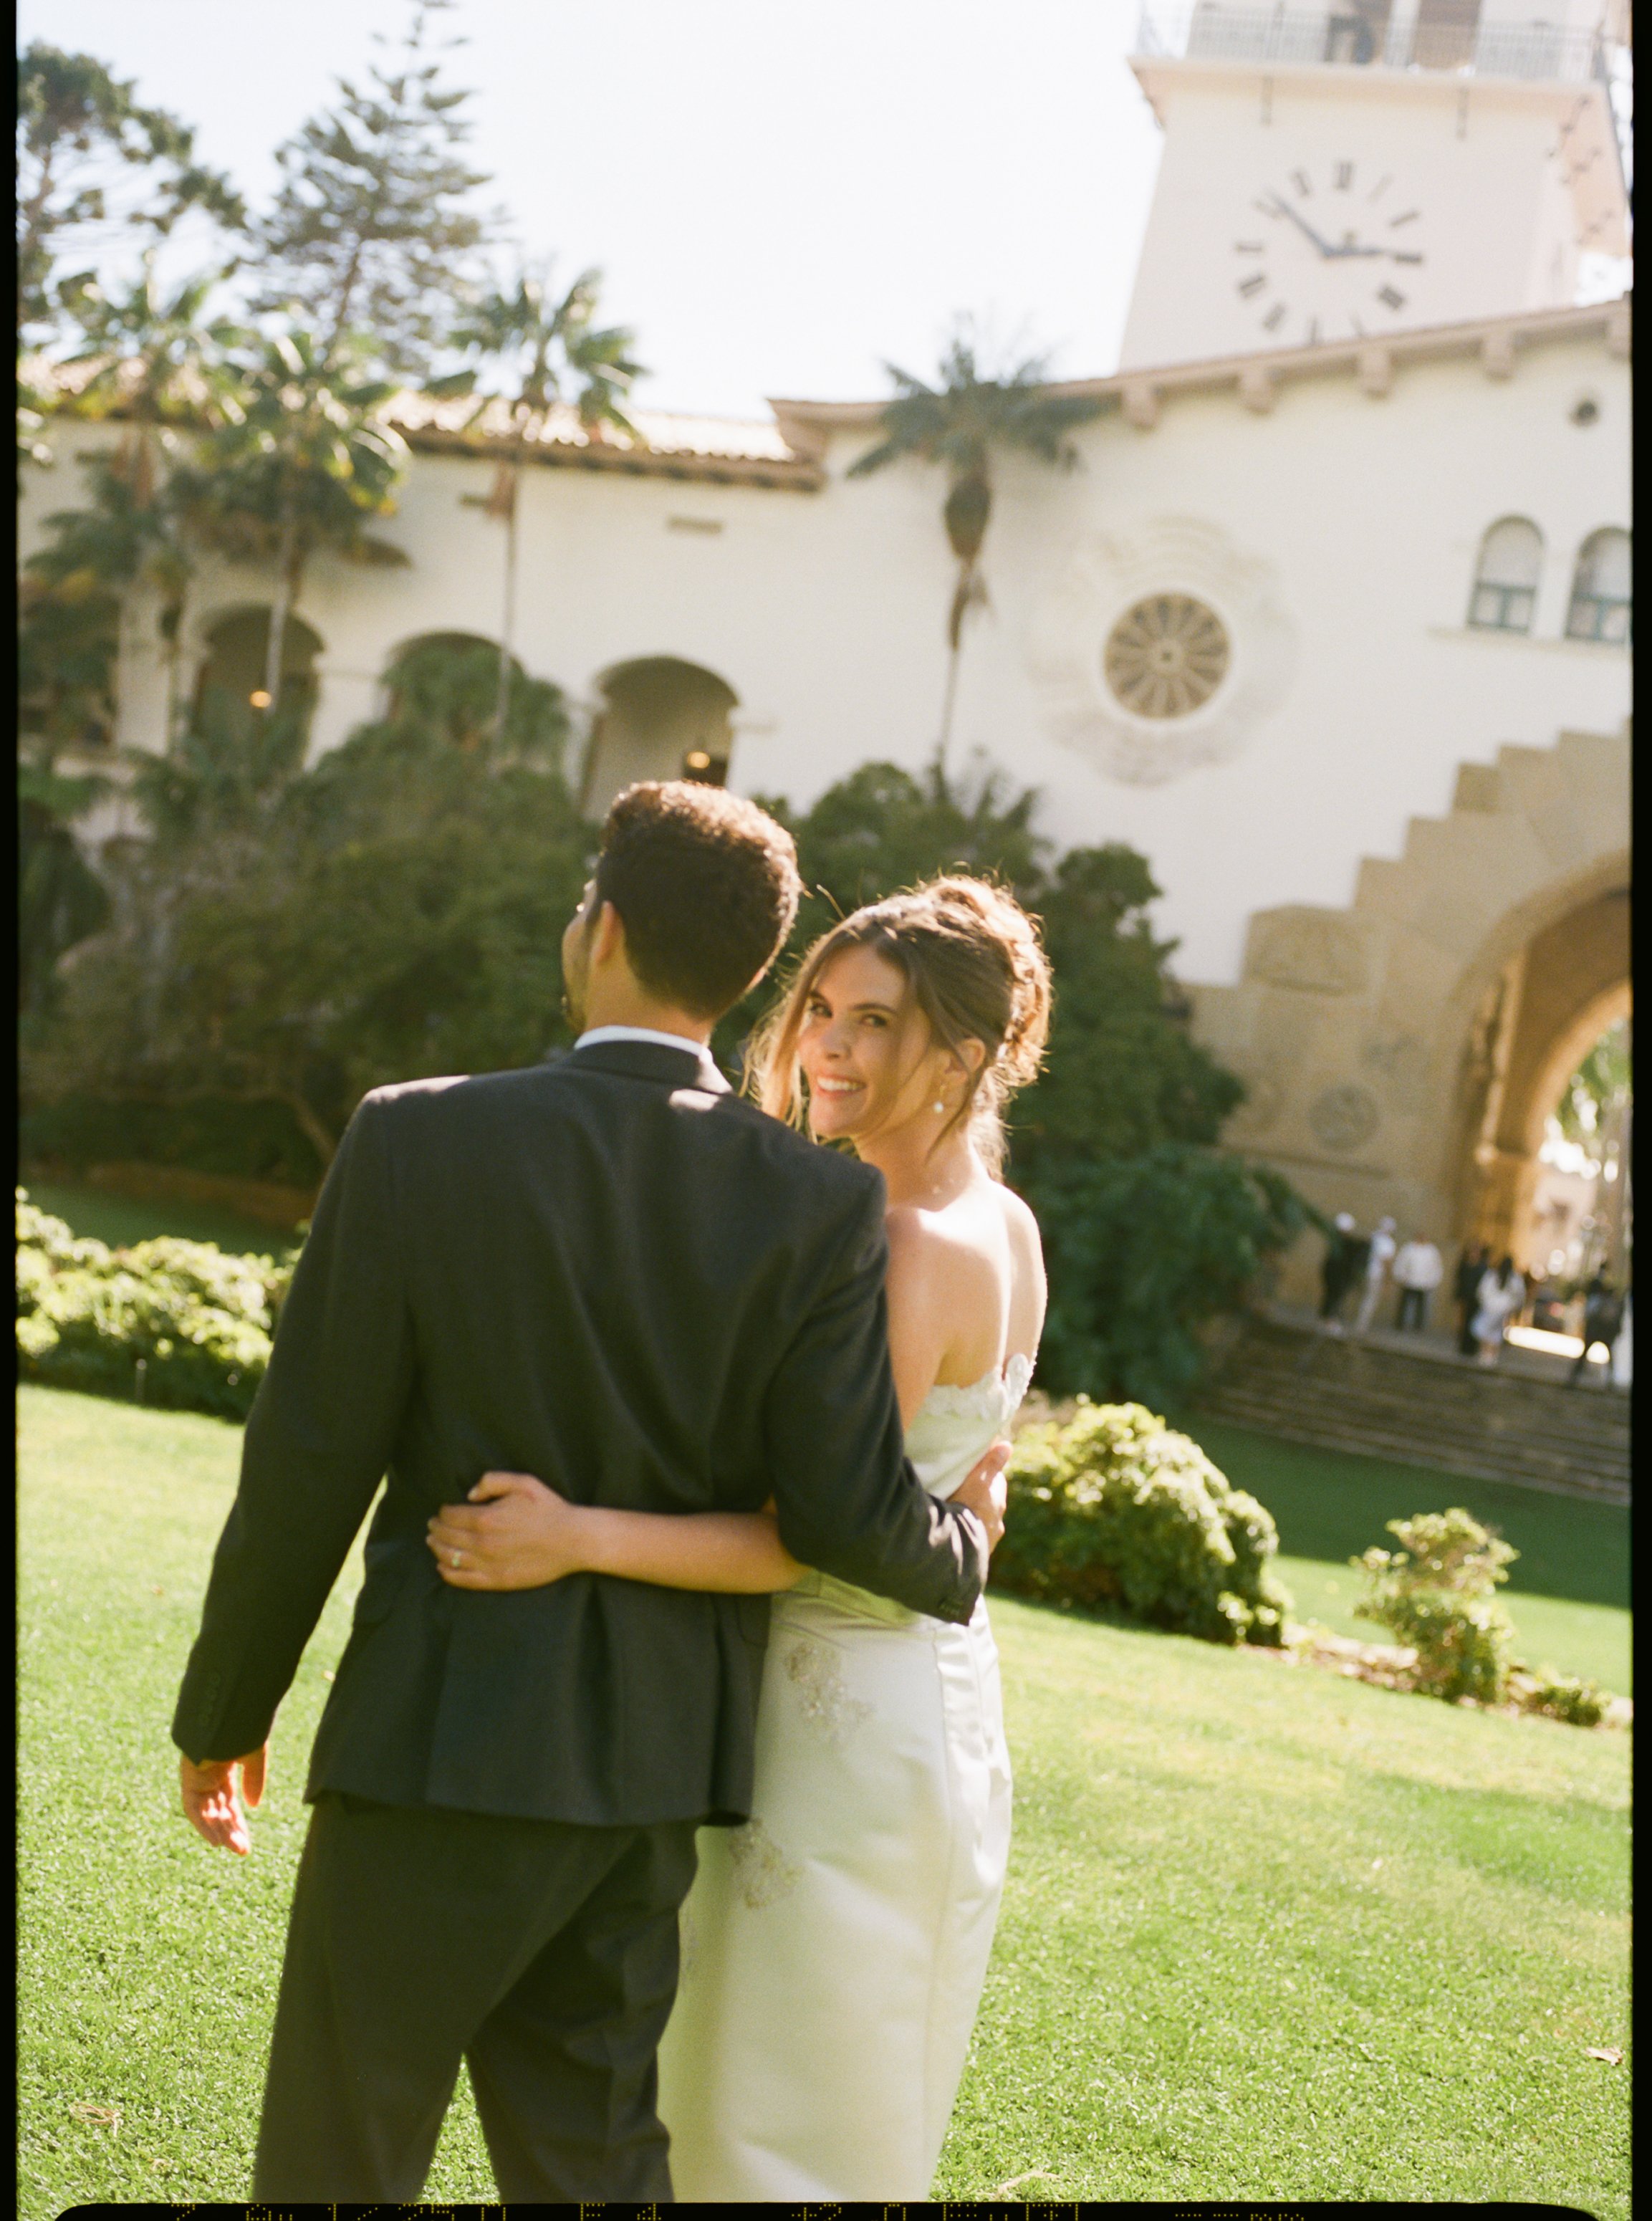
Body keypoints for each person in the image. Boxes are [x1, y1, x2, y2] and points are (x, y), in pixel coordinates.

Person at [169, 782, 1010, 2203]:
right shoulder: (810, 1203)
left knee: (341, 2144)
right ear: (756, 972)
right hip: (649, 1781)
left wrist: (226, 1710)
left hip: (434, 1747)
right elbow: (844, 1510)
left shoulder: (414, 1136)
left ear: (600, 928)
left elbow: (308, 1456)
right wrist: (966, 1540)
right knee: (590, 2164)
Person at [426, 876, 1050, 2201]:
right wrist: (966, 1531)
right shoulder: (1003, 1218)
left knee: (746, 2115)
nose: (828, 1045)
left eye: (877, 1024)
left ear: (966, 1054)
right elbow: (948, 1483)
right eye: (820, 1008)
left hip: (823, 1738)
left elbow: (808, 1538)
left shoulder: (893, 1242)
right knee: (840, 2099)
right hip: (931, 1712)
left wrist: (573, 1535)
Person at [1567, 1271, 1623, 1387]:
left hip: (1595, 1332)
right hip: (1606, 1334)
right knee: (1609, 1359)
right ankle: (1610, 1382)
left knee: (1584, 1356)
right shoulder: (1612, 1303)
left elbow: (1589, 1315)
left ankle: (1574, 1379)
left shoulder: (1597, 1301)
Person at [1470, 1254, 1525, 1366]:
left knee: (1485, 1331)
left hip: (1490, 1308)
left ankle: (1485, 1354)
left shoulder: (1492, 1275)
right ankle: (1492, 1355)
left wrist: (1486, 1303)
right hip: (1503, 1310)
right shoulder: (1515, 1279)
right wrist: (1512, 1307)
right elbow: (1520, 1295)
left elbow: (1483, 1290)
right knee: (1495, 1333)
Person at [1391, 1231, 1444, 1332]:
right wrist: (1400, 1276)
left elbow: (1436, 1267)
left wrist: (1433, 1281)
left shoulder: (1432, 1251)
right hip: (1409, 1281)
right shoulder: (1409, 1248)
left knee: (1421, 1306)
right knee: (1405, 1304)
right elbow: (1401, 1262)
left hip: (1424, 1283)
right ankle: (1400, 1324)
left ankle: (1418, 1326)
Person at [1353, 1215, 1398, 1335]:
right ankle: (1361, 1327)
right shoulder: (1387, 1243)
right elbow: (1386, 1262)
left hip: (1363, 1272)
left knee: (1363, 1298)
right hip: (1376, 1274)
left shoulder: (1372, 1237)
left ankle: (1357, 1324)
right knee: (1370, 1300)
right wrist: (1388, 1280)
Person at [1318, 1212, 1361, 1331]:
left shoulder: (1335, 1241)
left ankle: (1328, 1319)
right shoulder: (1343, 1243)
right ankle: (1329, 1321)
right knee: (1334, 1297)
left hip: (1333, 1272)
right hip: (1338, 1274)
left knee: (1332, 1296)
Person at [1454, 1242, 1489, 1356]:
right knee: (1463, 1321)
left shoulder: (1482, 1267)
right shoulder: (1465, 1264)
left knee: (1473, 1322)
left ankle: (1471, 1347)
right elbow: (1459, 1279)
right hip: (1465, 1296)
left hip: (1476, 1299)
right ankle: (1463, 1345)